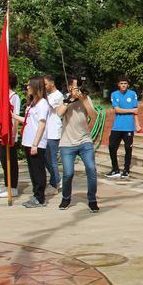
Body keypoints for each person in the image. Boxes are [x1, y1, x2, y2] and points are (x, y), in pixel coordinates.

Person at [56, 77, 99, 212]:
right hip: (67, 143)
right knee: (68, 173)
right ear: (69, 87)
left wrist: (83, 100)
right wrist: (69, 100)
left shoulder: (86, 98)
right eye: (73, 87)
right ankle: (66, 198)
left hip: (84, 141)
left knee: (91, 169)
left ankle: (92, 199)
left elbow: (94, 115)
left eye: (77, 87)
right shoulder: (64, 99)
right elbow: (59, 113)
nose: (75, 90)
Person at [13, 76, 51, 208]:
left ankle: (40, 197)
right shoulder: (32, 103)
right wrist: (12, 115)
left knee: (38, 171)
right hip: (28, 141)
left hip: (37, 143)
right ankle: (36, 194)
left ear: (36, 87)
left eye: (29, 85)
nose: (27, 87)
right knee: (32, 171)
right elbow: (28, 121)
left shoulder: (43, 104)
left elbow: (41, 124)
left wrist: (35, 144)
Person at [0, 70, 22, 199]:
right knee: (4, 162)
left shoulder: (14, 97)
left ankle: (13, 187)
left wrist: (13, 135)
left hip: (10, 133)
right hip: (1, 132)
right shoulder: (2, 96)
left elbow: (15, 117)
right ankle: (7, 185)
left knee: (11, 161)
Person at [108, 76, 141, 179]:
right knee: (112, 147)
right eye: (121, 83)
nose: (123, 85)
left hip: (128, 127)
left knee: (128, 148)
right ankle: (115, 169)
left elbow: (136, 111)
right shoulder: (114, 94)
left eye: (125, 83)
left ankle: (126, 170)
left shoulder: (132, 94)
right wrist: (130, 110)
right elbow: (117, 110)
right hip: (117, 126)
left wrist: (137, 124)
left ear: (128, 85)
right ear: (118, 84)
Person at [43, 75, 64, 193]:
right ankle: (55, 178)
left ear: (52, 83)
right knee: (45, 159)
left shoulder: (58, 96)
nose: (44, 87)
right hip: (46, 131)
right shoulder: (47, 95)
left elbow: (55, 109)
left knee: (52, 160)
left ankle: (55, 182)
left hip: (54, 131)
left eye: (45, 84)